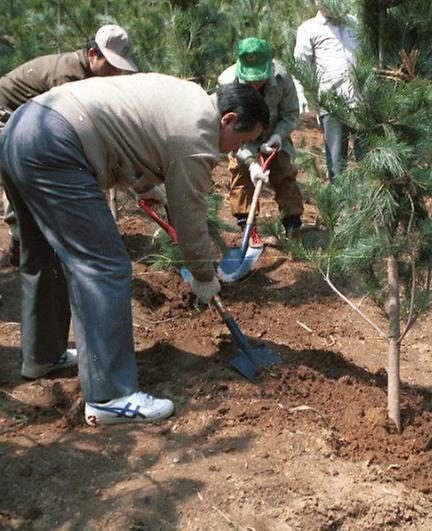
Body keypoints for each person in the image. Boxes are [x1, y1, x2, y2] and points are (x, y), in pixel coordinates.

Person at [0, 74, 270, 425]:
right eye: (241, 140)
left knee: (45, 254)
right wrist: (204, 275)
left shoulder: (190, 97)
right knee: (104, 266)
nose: (234, 150)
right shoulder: (197, 134)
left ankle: (43, 355)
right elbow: (190, 218)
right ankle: (110, 397)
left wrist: (144, 184)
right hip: (57, 144)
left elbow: (132, 130)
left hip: (23, 128)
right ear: (228, 119)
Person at [0, 24, 138, 267]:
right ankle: (20, 240)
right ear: (92, 54)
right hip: (6, 111)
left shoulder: (91, 75)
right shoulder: (68, 78)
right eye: (112, 65)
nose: (116, 73)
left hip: (29, 115)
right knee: (21, 173)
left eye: (120, 67)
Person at [218, 37, 304, 244]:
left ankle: (292, 226)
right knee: (241, 177)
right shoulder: (227, 82)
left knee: (285, 173)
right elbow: (226, 130)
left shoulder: (282, 78)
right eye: (250, 79)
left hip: (274, 135)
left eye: (260, 78)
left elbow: (291, 114)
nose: (255, 83)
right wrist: (250, 162)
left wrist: (278, 136)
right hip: (240, 140)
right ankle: (248, 229)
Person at [294, 0, 359, 179]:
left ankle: (371, 206)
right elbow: (300, 66)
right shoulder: (309, 29)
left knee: (370, 160)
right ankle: (341, 206)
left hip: (362, 102)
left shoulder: (355, 23)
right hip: (332, 106)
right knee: (337, 164)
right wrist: (300, 93)